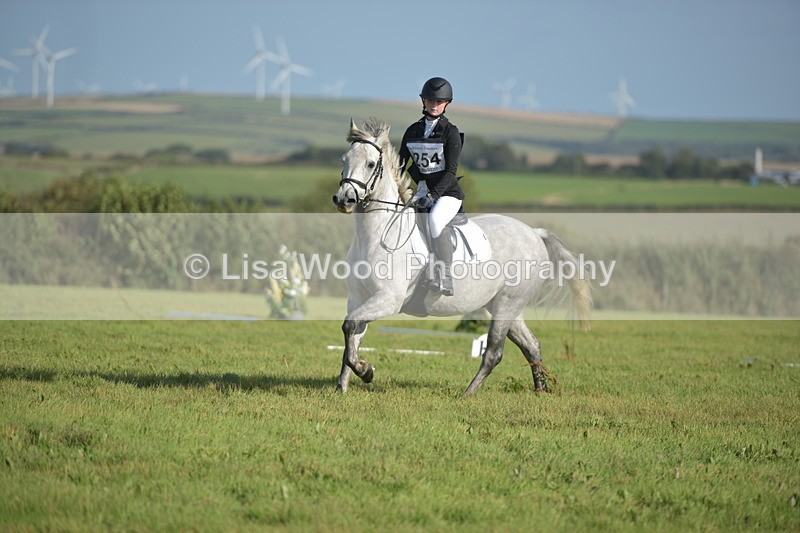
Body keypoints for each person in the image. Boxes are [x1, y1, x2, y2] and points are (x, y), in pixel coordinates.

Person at [398, 76, 464, 296]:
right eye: (430, 101)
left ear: (446, 104)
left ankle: (445, 277)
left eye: (439, 102)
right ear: (423, 102)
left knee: (435, 220)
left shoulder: (450, 132)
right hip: (423, 191)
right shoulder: (412, 131)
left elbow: (451, 171)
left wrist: (434, 195)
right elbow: (399, 164)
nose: (434, 105)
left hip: (448, 194)